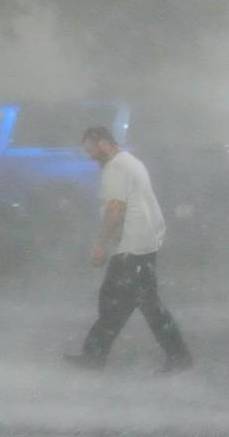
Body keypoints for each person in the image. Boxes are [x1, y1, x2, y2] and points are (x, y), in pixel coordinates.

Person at [64, 126, 193, 373]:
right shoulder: (130, 162)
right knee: (124, 301)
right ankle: (95, 355)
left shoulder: (116, 168)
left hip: (132, 247)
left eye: (91, 150)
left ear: (103, 143)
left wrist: (100, 244)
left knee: (135, 304)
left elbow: (115, 209)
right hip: (141, 244)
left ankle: (177, 358)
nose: (89, 156)